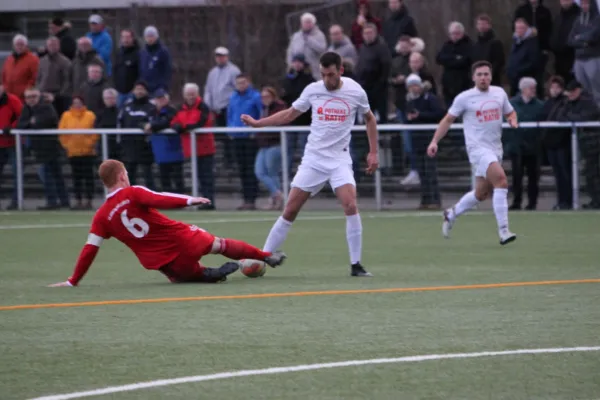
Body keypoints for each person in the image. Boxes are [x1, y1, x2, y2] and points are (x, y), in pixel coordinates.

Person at [241, 52, 379, 277]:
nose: (327, 80)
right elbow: (289, 115)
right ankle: (263, 258)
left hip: (339, 160)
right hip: (314, 159)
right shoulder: (313, 90)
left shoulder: (355, 91)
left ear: (341, 70)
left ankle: (356, 265)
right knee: (290, 209)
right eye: (323, 75)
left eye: (331, 75)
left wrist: (373, 152)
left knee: (350, 205)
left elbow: (370, 119)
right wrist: (259, 124)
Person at [48, 159, 286, 287]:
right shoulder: (132, 192)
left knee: (180, 276)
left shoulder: (101, 217)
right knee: (219, 244)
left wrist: (73, 281)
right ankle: (265, 256)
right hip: (184, 239)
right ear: (122, 176)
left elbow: (90, 248)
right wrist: (190, 200)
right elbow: (161, 198)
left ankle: (204, 274)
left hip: (163, 262)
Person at [427, 61, 519, 245]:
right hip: (478, 149)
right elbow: (447, 120)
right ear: (473, 77)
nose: (483, 77)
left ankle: (451, 214)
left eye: (486, 74)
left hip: (495, 149)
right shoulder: (465, 98)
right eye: (479, 74)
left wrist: (512, 120)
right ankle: (503, 231)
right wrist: (434, 140)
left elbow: (510, 112)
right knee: (501, 181)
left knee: (481, 194)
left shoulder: (499, 93)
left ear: (491, 76)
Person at [17, 87, 70, 210]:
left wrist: (30, 124)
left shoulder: (46, 107)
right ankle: (61, 201)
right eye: (28, 97)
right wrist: (31, 122)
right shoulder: (27, 109)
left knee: (51, 175)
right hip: (39, 149)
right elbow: (21, 124)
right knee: (52, 175)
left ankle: (56, 201)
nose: (31, 100)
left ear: (38, 96)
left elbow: (42, 122)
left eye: (33, 96)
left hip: (51, 147)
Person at [556, 80, 600, 209]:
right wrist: (571, 114)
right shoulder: (569, 102)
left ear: (577, 91)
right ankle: (595, 201)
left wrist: (571, 116)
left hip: (595, 144)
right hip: (585, 145)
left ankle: (597, 201)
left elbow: (585, 118)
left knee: (594, 174)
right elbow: (560, 117)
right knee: (589, 175)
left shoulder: (589, 102)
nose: (569, 96)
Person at [172, 83, 216, 209]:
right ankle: (201, 201)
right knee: (197, 177)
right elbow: (174, 122)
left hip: (205, 148)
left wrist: (183, 128)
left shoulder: (203, 107)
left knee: (206, 177)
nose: (190, 97)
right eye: (188, 94)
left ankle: (209, 202)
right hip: (190, 148)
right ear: (184, 95)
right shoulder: (180, 108)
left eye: (193, 94)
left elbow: (200, 123)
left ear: (197, 94)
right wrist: (179, 127)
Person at [404, 74, 445, 209]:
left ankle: (435, 200)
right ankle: (425, 200)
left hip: (429, 139)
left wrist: (420, 115)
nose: (413, 88)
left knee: (430, 170)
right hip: (417, 140)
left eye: (415, 85)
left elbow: (440, 114)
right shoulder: (410, 100)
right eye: (410, 86)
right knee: (422, 172)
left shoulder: (430, 98)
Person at [505, 77, 544, 210]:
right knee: (517, 176)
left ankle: (532, 203)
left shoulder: (540, 105)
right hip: (517, 147)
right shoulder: (511, 104)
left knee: (533, 177)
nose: (533, 91)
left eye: (534, 88)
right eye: (531, 88)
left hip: (534, 147)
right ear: (523, 89)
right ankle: (516, 202)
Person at [227, 74, 262, 210]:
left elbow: (260, 113)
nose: (241, 85)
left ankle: (251, 198)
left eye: (243, 82)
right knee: (242, 170)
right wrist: (230, 130)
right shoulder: (233, 97)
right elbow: (230, 115)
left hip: (249, 137)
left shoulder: (255, 96)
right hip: (237, 137)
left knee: (250, 169)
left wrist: (255, 131)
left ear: (248, 83)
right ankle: (245, 199)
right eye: (238, 83)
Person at [58, 95, 98, 210]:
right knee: (76, 178)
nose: (77, 104)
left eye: (79, 102)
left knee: (88, 177)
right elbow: (62, 133)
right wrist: (68, 145)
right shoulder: (66, 115)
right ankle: (78, 200)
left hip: (88, 152)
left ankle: (89, 200)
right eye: (75, 102)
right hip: (73, 152)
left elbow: (95, 132)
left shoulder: (90, 115)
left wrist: (89, 143)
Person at [203, 47, 240, 169]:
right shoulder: (212, 72)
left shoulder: (233, 71)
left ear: (227, 57)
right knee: (222, 135)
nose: (220, 58)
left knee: (230, 133)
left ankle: (232, 158)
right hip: (216, 108)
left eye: (222, 56)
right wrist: (208, 106)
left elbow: (237, 89)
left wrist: (233, 104)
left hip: (228, 107)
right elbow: (208, 90)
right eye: (218, 56)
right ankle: (226, 157)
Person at [144, 89, 183, 194]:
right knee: (164, 175)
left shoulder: (172, 110)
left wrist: (152, 126)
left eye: (163, 98)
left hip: (172, 147)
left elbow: (167, 122)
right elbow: (142, 121)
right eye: (158, 98)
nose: (160, 100)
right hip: (159, 149)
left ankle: (180, 198)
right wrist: (145, 126)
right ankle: (167, 198)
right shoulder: (151, 111)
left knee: (177, 176)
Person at [118, 80, 155, 189]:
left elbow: (152, 122)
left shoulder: (151, 107)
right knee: (130, 176)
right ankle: (130, 199)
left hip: (145, 146)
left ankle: (152, 200)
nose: (139, 92)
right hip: (129, 146)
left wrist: (143, 126)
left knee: (148, 175)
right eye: (137, 89)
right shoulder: (126, 106)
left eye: (142, 89)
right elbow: (120, 122)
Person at [541, 76, 571, 210]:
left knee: (565, 173)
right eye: (552, 87)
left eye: (557, 87)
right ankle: (561, 200)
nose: (555, 90)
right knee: (558, 174)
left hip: (563, 143)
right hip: (551, 143)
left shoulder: (565, 102)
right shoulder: (547, 103)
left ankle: (567, 200)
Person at [281, 54, 314, 169]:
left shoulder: (309, 79)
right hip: (290, 120)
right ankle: (286, 175)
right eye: (295, 61)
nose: (297, 64)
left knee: (303, 149)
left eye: (299, 62)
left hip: (305, 120)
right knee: (288, 150)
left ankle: (306, 174)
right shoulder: (288, 79)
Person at [255, 86, 286, 210]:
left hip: (274, 143)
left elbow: (280, 122)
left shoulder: (279, 107)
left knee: (272, 172)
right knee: (260, 172)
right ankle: (277, 194)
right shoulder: (263, 108)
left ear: (273, 96)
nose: (264, 99)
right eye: (262, 97)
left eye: (267, 96)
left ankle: (276, 199)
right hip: (264, 144)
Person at [355, 23, 392, 123]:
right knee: (367, 115)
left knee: (381, 115)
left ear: (375, 33)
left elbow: (386, 66)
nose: (368, 35)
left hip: (378, 87)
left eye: (370, 33)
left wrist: (380, 83)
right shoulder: (362, 48)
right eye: (366, 33)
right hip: (364, 87)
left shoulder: (382, 48)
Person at [568, 0, 600, 107]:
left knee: (596, 89)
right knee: (583, 89)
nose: (584, 6)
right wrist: (584, 42)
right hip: (579, 59)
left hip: (593, 58)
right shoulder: (578, 20)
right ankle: (588, 111)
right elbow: (570, 40)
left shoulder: (597, 19)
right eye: (582, 4)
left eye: (587, 3)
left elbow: (593, 36)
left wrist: (579, 38)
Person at [436, 21, 473, 107]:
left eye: (457, 33)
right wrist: (454, 58)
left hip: (463, 82)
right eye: (452, 34)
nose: (454, 36)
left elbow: (465, 61)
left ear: (462, 33)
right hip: (447, 84)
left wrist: (449, 60)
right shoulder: (447, 45)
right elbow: (438, 58)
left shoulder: (468, 44)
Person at [0, 84, 22, 210]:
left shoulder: (12, 100)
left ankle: (16, 201)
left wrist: (12, 127)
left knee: (17, 173)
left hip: (14, 143)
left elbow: (21, 116)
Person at [286, 13, 327, 81]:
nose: (307, 24)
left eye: (309, 22)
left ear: (313, 23)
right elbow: (290, 52)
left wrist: (309, 40)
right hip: (297, 72)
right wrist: (291, 65)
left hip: (314, 71)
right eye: (305, 22)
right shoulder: (296, 36)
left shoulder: (319, 35)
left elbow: (322, 49)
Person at [507, 18, 541, 96]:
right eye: (517, 28)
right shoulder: (515, 41)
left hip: (525, 80)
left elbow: (534, 62)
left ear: (527, 29)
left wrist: (518, 71)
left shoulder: (532, 43)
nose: (519, 30)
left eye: (521, 28)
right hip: (514, 79)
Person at [1, 34, 40, 100]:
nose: (19, 47)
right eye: (17, 44)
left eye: (22, 44)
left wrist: (25, 90)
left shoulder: (33, 59)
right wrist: (4, 88)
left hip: (23, 97)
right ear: (14, 46)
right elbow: (3, 75)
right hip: (8, 96)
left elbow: (35, 78)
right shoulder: (9, 59)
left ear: (26, 46)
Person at [551, 0, 580, 84]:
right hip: (558, 62)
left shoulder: (579, 16)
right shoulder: (558, 16)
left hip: (573, 61)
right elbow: (553, 34)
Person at [471, 14, 505, 87]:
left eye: (484, 24)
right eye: (479, 24)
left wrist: (488, 74)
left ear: (489, 25)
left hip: (492, 81)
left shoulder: (496, 43)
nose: (481, 26)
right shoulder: (475, 44)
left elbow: (499, 61)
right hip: (477, 81)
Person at [139, 26, 172, 95]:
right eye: (148, 36)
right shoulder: (143, 52)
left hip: (158, 88)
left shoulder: (163, 51)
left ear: (156, 37)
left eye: (152, 36)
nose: (150, 39)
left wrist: (164, 86)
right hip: (145, 89)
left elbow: (167, 70)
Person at [113, 29, 140, 108]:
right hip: (119, 92)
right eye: (123, 37)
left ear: (132, 38)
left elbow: (141, 72)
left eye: (128, 37)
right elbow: (115, 70)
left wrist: (136, 88)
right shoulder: (118, 53)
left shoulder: (138, 53)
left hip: (132, 92)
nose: (125, 40)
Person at [95, 88, 120, 160]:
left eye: (112, 98)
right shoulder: (100, 113)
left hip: (117, 146)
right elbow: (96, 126)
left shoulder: (120, 112)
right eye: (107, 98)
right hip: (103, 144)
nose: (109, 100)